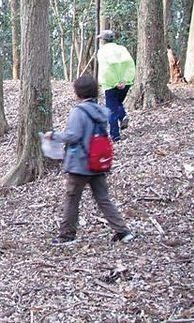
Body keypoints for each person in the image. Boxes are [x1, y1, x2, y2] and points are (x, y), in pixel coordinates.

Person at [45, 75, 134, 246]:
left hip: (80, 163)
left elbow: (73, 135)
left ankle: (67, 235)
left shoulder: (78, 112)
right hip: (99, 162)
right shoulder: (101, 110)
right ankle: (123, 231)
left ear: (78, 93)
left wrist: (54, 135)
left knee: (72, 199)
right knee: (103, 198)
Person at [97, 29, 135, 142]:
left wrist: (115, 83)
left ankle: (115, 135)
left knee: (111, 109)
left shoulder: (102, 52)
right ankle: (122, 116)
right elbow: (130, 65)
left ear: (103, 40)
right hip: (125, 84)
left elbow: (106, 70)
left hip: (110, 85)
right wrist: (125, 80)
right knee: (117, 103)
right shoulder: (122, 49)